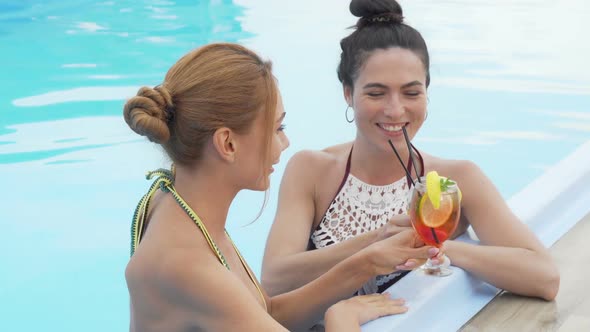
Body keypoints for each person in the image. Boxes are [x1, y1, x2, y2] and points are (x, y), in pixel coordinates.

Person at [123, 43, 437, 332]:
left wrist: (366, 260)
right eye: (278, 128)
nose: (284, 144)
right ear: (228, 143)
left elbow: (264, 311)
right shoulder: (188, 265)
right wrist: (342, 316)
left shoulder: (177, 199)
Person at [262, 0, 559, 301]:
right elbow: (274, 280)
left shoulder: (456, 179)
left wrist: (436, 244)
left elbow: (545, 277)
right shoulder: (311, 169)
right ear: (348, 93)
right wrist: (377, 241)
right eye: (376, 93)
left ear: (427, 93)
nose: (395, 109)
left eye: (411, 92)